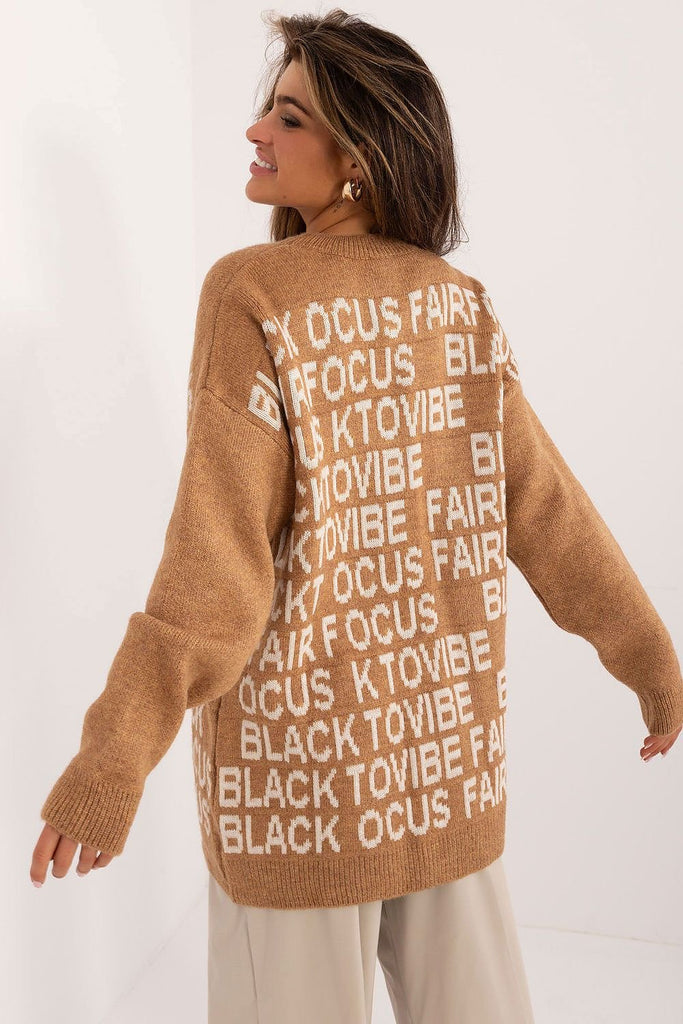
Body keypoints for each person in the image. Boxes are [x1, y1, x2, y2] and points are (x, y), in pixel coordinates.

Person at [31, 9, 682, 1024]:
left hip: (298, 795)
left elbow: (215, 574)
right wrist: (648, 656)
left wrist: (110, 759)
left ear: (360, 159)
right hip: (443, 772)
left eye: (289, 117)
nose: (256, 130)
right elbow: (547, 513)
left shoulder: (253, 294)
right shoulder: (457, 303)